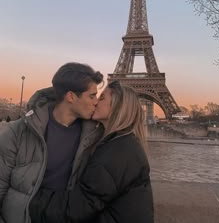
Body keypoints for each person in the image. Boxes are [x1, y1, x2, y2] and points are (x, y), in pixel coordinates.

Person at [29, 81, 154, 223]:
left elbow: (79, 206)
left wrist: (29, 199)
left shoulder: (117, 151)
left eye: (102, 98)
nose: (95, 102)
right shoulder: (124, 143)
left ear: (117, 107)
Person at [0, 62, 104, 223]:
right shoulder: (18, 132)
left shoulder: (97, 136)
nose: (97, 101)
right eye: (92, 95)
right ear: (71, 96)